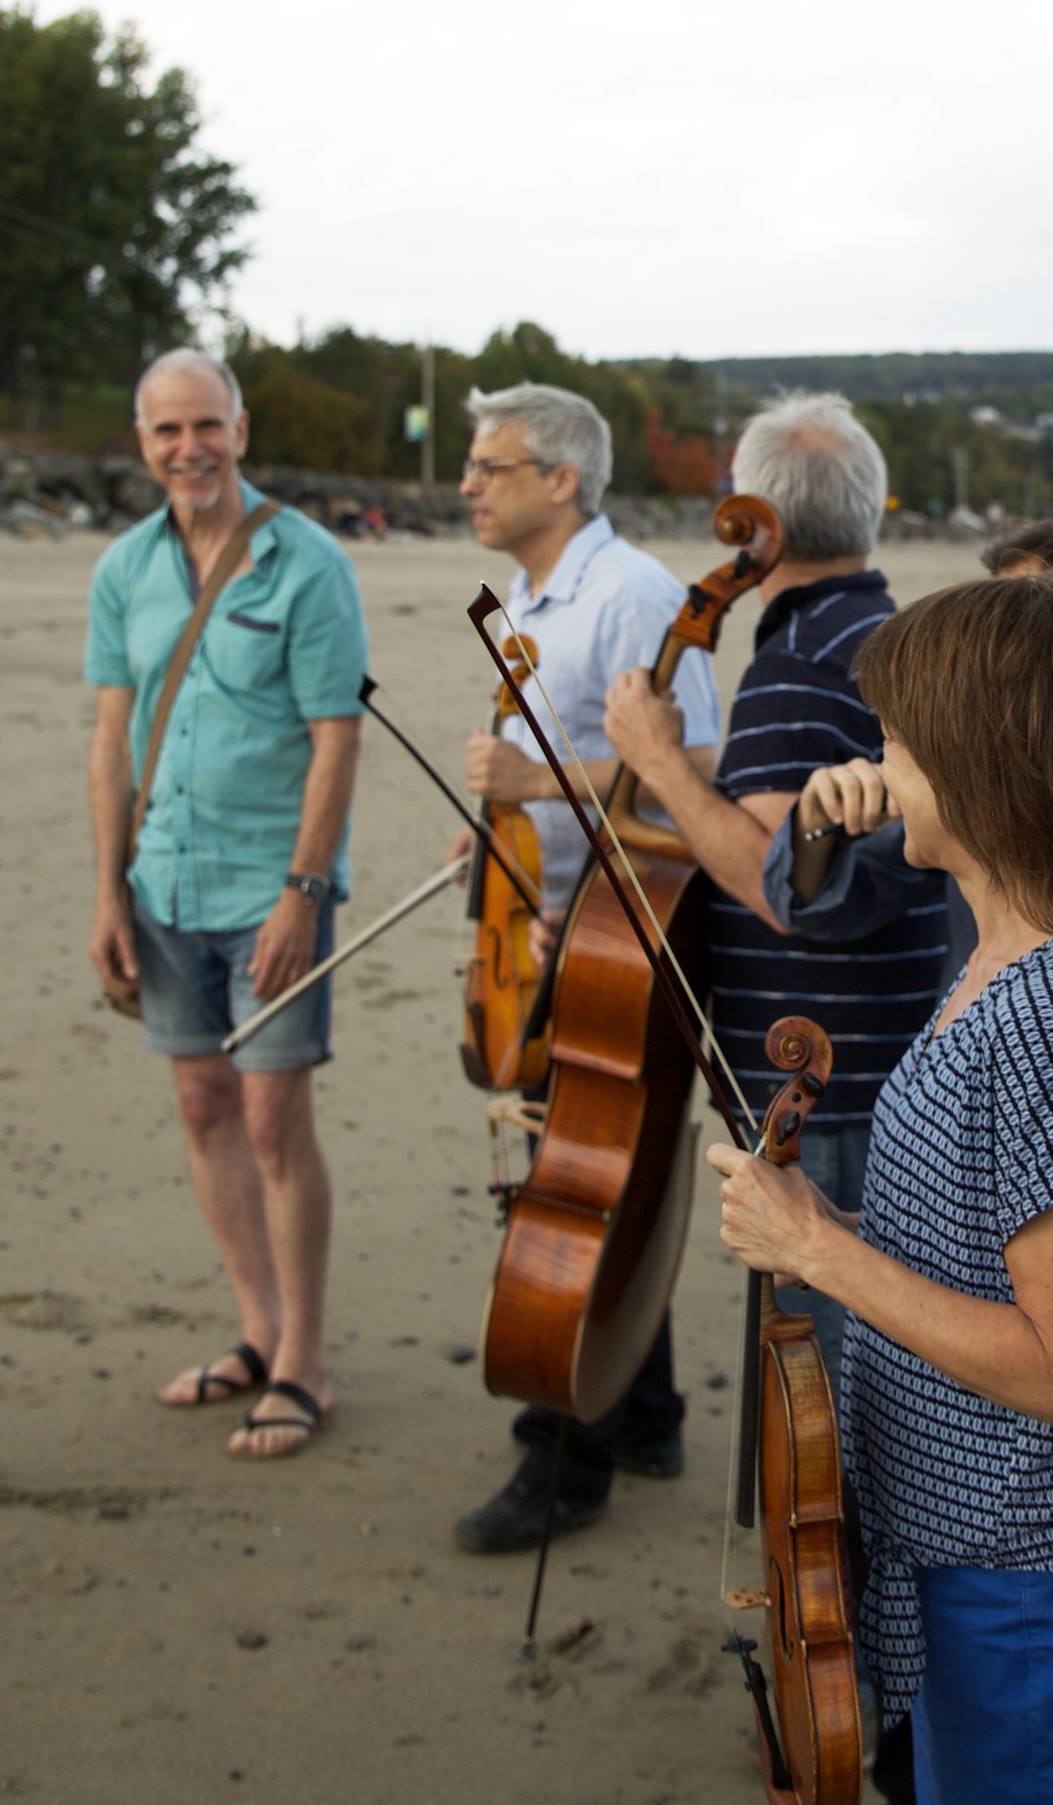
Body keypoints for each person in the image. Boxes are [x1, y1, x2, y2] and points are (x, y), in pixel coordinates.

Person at [759, 513, 1053, 1797]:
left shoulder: (1048, 1021)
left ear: (980, 766)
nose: (882, 771)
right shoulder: (1019, 952)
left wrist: (818, 1247)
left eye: (899, 747)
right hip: (970, 1550)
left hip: (1021, 1572)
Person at [600, 392, 953, 1375]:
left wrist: (660, 763)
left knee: (840, 1400)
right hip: (888, 1061)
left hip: (826, 1085)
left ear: (755, 520)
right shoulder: (887, 636)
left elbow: (772, 886)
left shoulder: (795, 664)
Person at [446, 381, 723, 1554]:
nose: (466, 483)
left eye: (491, 465)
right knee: (604, 1172)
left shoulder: (635, 598)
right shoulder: (524, 593)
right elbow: (558, 752)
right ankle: (646, 1410)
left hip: (616, 936)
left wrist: (535, 787)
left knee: (578, 1184)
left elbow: (690, 773)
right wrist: (500, 826)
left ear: (562, 479)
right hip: (541, 919)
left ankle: (565, 1458)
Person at [85, 348, 369, 1459]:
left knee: (271, 1118)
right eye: (167, 431)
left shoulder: (310, 565)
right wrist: (106, 888)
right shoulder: (122, 570)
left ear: (240, 431)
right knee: (203, 1107)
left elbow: (336, 739)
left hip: (269, 887)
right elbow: (111, 741)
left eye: (206, 426)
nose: (189, 449)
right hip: (163, 882)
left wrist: (304, 890)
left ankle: (303, 1357)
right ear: (144, 441)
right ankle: (255, 1330)